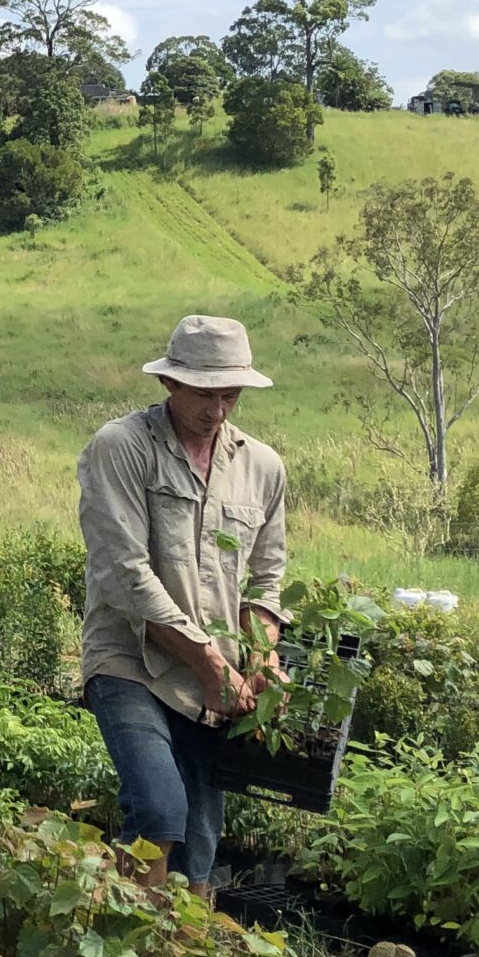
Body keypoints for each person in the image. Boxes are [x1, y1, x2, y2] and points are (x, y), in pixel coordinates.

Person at [76, 314, 288, 895]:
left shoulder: (262, 468)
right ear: (169, 384)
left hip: (211, 680)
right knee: (159, 813)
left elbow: (265, 582)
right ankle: (127, 951)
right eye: (205, 394)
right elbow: (123, 575)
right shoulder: (121, 448)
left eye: (230, 394)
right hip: (131, 662)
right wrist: (212, 665)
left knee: (199, 844)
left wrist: (264, 659)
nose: (218, 409)